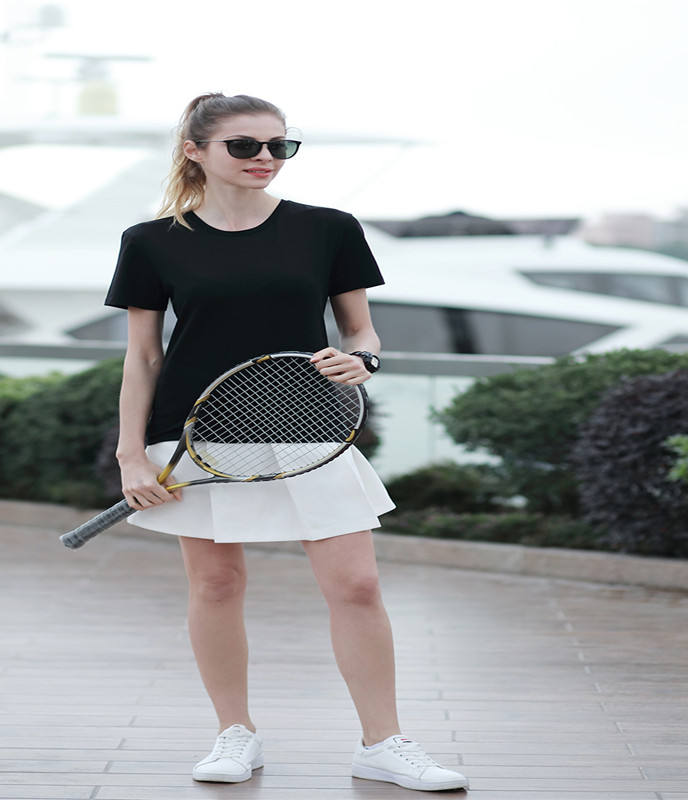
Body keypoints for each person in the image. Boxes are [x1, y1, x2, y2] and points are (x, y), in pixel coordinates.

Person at [103, 92, 469, 793]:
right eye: (244, 145)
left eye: (279, 145)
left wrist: (362, 360)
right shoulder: (150, 241)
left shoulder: (328, 229)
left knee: (357, 585)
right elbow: (143, 356)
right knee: (216, 585)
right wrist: (130, 455)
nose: (265, 158)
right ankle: (234, 733)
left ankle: (383, 743)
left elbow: (360, 330)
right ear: (195, 151)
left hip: (312, 431)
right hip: (197, 434)